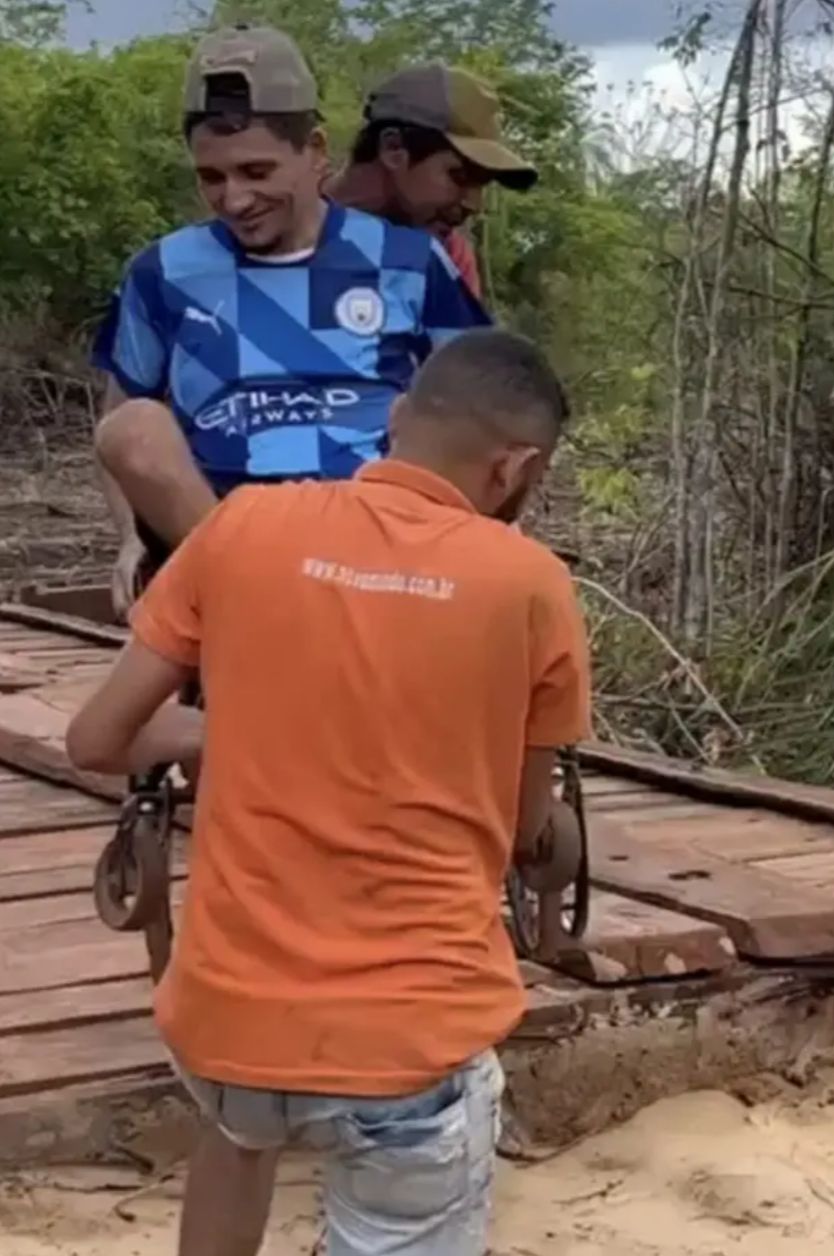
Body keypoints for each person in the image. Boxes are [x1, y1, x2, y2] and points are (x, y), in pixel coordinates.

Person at [66, 327, 590, 1256]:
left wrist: (233, 732)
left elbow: (97, 739)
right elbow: (520, 832)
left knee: (237, 1135)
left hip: (228, 1025)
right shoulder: (530, 585)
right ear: (516, 467)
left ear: (396, 420)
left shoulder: (245, 526)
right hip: (406, 1047)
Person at [94, 26, 490, 619]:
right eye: (212, 177)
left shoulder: (407, 260)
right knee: (131, 427)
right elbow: (119, 421)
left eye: (257, 171)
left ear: (316, 151)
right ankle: (260, 606)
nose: (234, 199)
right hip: (224, 536)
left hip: (374, 538)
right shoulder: (164, 271)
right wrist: (130, 537)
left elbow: (481, 409)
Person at [325, 64, 539, 300]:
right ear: (393, 148)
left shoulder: (448, 257)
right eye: (460, 177)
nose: (474, 205)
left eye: (482, 185)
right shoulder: (285, 221)